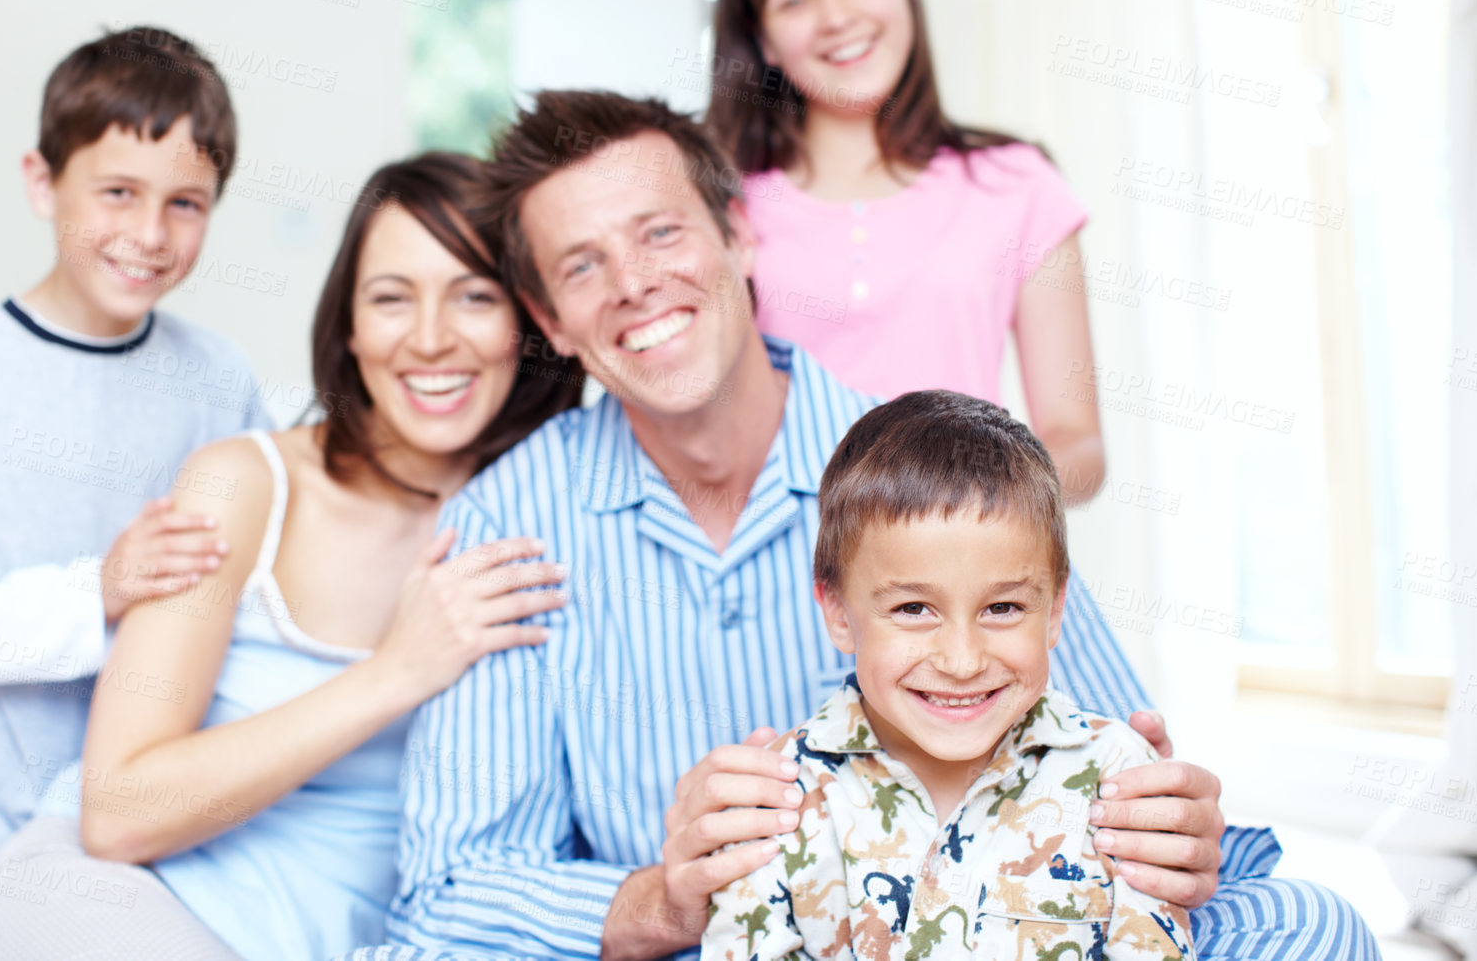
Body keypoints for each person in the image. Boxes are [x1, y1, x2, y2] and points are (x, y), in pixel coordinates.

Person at [345, 91, 1374, 961]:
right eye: (582, 265)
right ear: (551, 319)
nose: (633, 283)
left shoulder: (928, 464)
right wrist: (661, 897)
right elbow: (444, 898)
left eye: (660, 232)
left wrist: (1179, 837)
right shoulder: (508, 525)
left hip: (1003, 928)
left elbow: (1136, 790)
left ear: (737, 234)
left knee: (1304, 921)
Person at [0, 152, 586, 961]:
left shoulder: (561, 510)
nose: (430, 339)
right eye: (391, 298)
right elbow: (117, 813)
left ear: (531, 323)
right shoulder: (245, 486)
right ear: (349, 326)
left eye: (474, 296)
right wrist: (397, 671)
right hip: (117, 903)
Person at [0, 27, 267, 961]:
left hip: (104, 842)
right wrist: (90, 593)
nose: (150, 235)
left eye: (186, 203)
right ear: (42, 182)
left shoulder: (220, 383)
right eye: (117, 192)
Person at [702, 389, 1193, 960]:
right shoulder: (775, 800)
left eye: (1003, 608)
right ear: (838, 612)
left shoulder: (1118, 776)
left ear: (1055, 611)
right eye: (913, 610)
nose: (962, 661)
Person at [707, 0, 1106, 502]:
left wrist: (972, 508)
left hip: (976, 573)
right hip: (785, 576)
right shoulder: (724, 208)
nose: (837, 16)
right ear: (763, 43)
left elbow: (1078, 442)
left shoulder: (1018, 184)